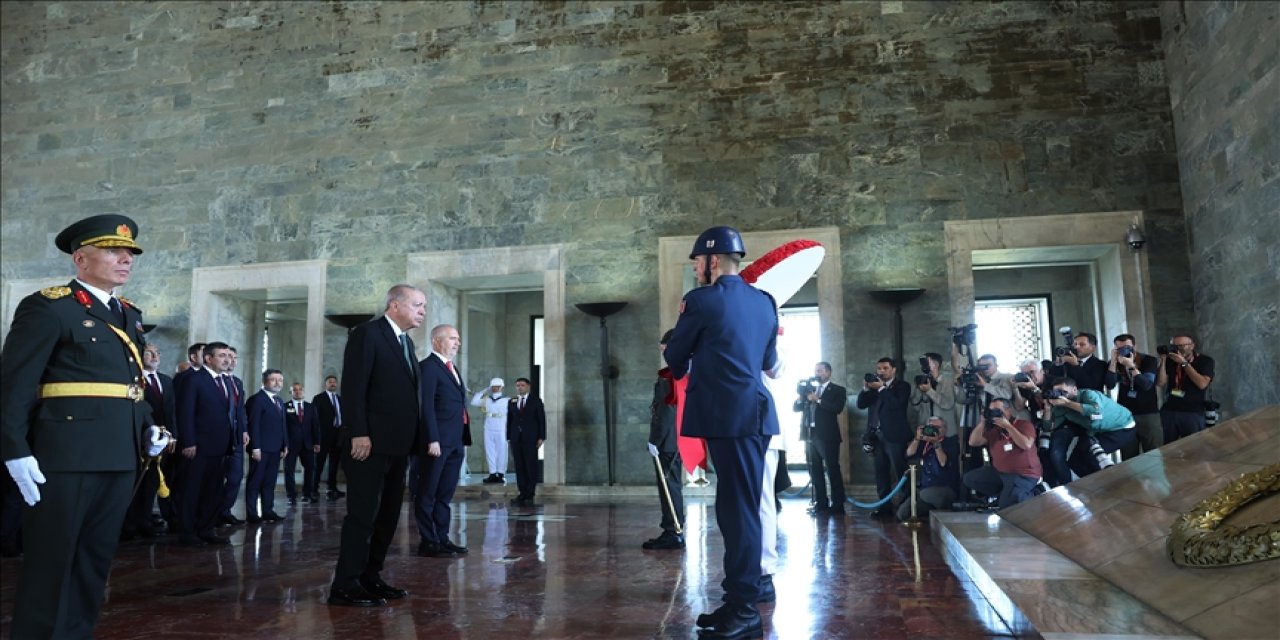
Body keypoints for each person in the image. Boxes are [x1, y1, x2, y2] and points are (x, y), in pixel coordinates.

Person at [1, 214, 169, 638]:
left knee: (94, 561)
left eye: (129, 252)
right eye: (114, 250)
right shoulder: (49, 306)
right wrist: (15, 449)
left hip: (119, 454)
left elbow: (130, 386)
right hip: (65, 456)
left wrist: (147, 425)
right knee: (52, 562)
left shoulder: (129, 314)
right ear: (81, 258)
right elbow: (15, 385)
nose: (125, 259)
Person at [664, 226, 779, 640]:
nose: (696, 268)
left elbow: (676, 356)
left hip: (730, 416)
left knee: (739, 511)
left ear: (713, 260)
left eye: (697, 260)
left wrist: (685, 356)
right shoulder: (765, 302)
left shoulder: (701, 300)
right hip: (752, 415)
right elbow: (769, 360)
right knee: (737, 508)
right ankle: (737, 602)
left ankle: (745, 608)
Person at [328, 285, 425, 607]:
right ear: (395, 305)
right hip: (368, 445)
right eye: (417, 305)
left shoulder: (406, 342)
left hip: (398, 446)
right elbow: (355, 387)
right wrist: (358, 433)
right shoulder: (367, 334)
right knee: (363, 516)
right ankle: (345, 584)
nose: (422, 311)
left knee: (387, 516)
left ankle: (371, 576)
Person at [413, 324, 470, 558]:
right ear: (437, 341)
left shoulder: (451, 367)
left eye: (458, 338)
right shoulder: (428, 368)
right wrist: (432, 439)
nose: (457, 343)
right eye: (452, 338)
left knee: (444, 494)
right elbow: (425, 407)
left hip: (455, 442)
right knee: (428, 492)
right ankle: (428, 541)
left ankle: (442, 538)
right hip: (436, 443)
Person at [174, 341, 238, 547]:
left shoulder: (227, 382)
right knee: (192, 490)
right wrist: (189, 441)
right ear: (208, 358)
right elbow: (185, 413)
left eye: (229, 356)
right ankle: (187, 531)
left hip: (220, 447)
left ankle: (206, 529)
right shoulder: (193, 380)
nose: (227, 359)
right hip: (198, 446)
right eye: (222, 355)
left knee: (213, 491)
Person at [123, 342, 178, 539]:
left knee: (152, 483)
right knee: (135, 483)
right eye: (149, 353)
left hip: (163, 443)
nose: (155, 357)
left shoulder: (166, 380)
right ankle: (128, 525)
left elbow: (172, 412)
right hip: (139, 441)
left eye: (158, 353)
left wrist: (173, 436)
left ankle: (145, 522)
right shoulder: (133, 380)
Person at [1044, 377, 1135, 485]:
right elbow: (1048, 427)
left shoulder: (1088, 394)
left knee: (1092, 456)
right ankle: (1097, 485)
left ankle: (1112, 484)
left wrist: (1067, 403)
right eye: (1057, 392)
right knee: (1075, 461)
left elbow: (1096, 412)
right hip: (1097, 431)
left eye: (1063, 392)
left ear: (1074, 389)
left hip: (1121, 427)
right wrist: (1048, 409)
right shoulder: (1061, 406)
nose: (1060, 395)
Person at [643, 329, 685, 550]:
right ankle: (674, 528)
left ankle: (673, 531)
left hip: (668, 440)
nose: (663, 352)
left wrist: (655, 440)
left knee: (669, 486)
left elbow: (666, 411)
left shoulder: (670, 376)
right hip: (675, 438)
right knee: (671, 484)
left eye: (665, 348)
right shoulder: (680, 372)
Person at [856, 357, 911, 518]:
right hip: (876, 436)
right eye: (879, 368)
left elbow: (896, 405)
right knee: (881, 473)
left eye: (885, 368)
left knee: (901, 471)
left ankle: (906, 507)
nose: (881, 371)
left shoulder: (902, 386)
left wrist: (881, 389)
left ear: (894, 370)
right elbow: (861, 404)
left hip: (895, 436)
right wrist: (866, 389)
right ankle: (884, 507)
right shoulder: (873, 388)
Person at [962, 398, 1042, 509]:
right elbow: (973, 442)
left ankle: (1034, 493)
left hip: (1023, 474)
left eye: (997, 410)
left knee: (1006, 507)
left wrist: (1008, 426)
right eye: (991, 410)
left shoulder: (1024, 425)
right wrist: (983, 421)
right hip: (1000, 473)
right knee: (970, 478)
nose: (994, 413)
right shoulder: (994, 430)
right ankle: (1005, 494)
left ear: (1008, 410)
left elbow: (1026, 445)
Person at [800, 361, 848, 516]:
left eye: (820, 371)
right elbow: (796, 408)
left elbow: (837, 408)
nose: (817, 373)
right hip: (810, 434)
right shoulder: (810, 390)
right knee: (815, 470)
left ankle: (838, 505)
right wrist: (802, 398)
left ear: (828, 373)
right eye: (816, 370)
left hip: (827, 435)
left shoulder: (838, 390)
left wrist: (818, 399)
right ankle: (821, 504)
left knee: (832, 469)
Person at [1105, 334, 1161, 458]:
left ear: (1135, 346)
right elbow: (1110, 384)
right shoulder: (1115, 362)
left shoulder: (1148, 360)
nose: (1124, 351)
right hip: (1125, 415)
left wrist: (1131, 366)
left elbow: (1146, 384)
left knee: (1154, 452)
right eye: (1120, 348)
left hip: (1148, 413)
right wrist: (1113, 362)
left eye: (1127, 347)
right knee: (1128, 454)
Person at [244, 369, 288, 523]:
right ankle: (252, 514)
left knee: (270, 482)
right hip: (260, 449)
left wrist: (285, 445)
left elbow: (283, 425)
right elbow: (253, 425)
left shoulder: (279, 401)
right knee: (255, 481)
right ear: (264, 382)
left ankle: (268, 510)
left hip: (276, 449)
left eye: (280, 380)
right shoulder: (256, 400)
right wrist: (255, 448)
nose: (278, 383)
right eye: (273, 380)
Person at [1156, 334, 1215, 443]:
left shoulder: (1205, 361)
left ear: (1192, 346)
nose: (1178, 349)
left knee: (1194, 446)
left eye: (1182, 345)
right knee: (1169, 448)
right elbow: (1160, 382)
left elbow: (1202, 384)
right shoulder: (1170, 360)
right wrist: (1163, 360)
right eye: (1175, 346)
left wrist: (1184, 363)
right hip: (1170, 410)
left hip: (1192, 412)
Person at [899, 416, 960, 522]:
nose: (934, 431)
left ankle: (931, 512)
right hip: (925, 490)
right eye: (931, 427)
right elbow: (909, 454)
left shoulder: (951, 443)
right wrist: (917, 438)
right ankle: (928, 513)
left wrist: (936, 443)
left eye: (938, 428)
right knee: (902, 513)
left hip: (944, 488)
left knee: (926, 495)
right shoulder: (924, 444)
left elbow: (943, 463)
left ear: (945, 429)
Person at [217, 346, 250, 526]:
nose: (231, 361)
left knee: (236, 477)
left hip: (236, 438)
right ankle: (212, 512)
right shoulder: (214, 380)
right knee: (215, 478)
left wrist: (244, 430)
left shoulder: (237, 382)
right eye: (227, 357)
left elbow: (241, 410)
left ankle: (224, 510)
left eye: (234, 358)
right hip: (218, 437)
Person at [507, 378, 546, 507]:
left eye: (522, 385)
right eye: (517, 385)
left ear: (528, 386)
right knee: (519, 466)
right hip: (516, 438)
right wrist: (508, 437)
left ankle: (530, 493)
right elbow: (510, 420)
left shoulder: (536, 401)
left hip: (530, 438)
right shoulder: (512, 402)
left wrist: (541, 437)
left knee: (530, 465)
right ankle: (522, 493)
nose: (520, 388)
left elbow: (541, 419)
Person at [283, 382, 320, 505]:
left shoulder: (310, 407)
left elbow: (315, 426)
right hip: (290, 445)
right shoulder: (285, 407)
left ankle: (307, 494)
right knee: (289, 470)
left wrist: (317, 442)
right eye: (295, 390)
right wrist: (284, 444)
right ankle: (291, 496)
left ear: (303, 391)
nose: (298, 392)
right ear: (291, 392)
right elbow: (283, 427)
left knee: (310, 469)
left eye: (300, 390)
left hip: (307, 444)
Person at [312, 375, 345, 499]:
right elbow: (314, 419)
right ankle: (313, 489)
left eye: (334, 382)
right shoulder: (319, 398)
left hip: (338, 436)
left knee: (334, 463)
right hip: (323, 437)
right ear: (325, 384)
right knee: (318, 464)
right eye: (330, 382)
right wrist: (315, 438)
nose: (332, 384)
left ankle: (332, 488)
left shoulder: (340, 399)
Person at [472, 378, 510, 484]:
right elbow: (474, 401)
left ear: (502, 387)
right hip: (488, 428)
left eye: (498, 386)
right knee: (490, 451)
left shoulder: (507, 400)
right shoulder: (487, 399)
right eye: (493, 386)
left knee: (502, 451)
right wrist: (484, 391)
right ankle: (492, 473)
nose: (495, 388)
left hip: (502, 427)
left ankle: (501, 473)